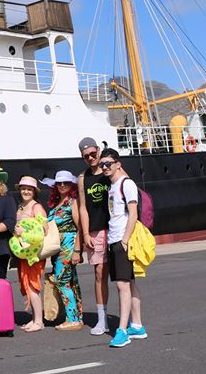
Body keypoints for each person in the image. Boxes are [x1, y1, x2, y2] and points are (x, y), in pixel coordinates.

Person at [99, 148, 147, 348]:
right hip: (114, 239)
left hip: (121, 240)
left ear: (118, 164)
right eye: (102, 165)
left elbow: (133, 214)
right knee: (130, 283)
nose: (104, 168)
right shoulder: (113, 186)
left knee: (122, 285)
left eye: (108, 163)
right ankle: (137, 326)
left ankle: (122, 331)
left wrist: (125, 241)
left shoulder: (126, 184)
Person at [77, 136, 111, 335]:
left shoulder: (109, 171)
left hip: (114, 228)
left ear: (98, 150)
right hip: (96, 230)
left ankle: (133, 318)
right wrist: (85, 234)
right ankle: (102, 319)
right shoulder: (83, 177)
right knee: (99, 274)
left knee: (125, 275)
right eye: (86, 156)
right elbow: (83, 207)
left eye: (93, 153)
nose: (90, 158)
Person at [43, 170, 83, 331]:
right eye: (59, 183)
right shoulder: (55, 205)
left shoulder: (72, 202)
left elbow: (80, 227)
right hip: (58, 247)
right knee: (70, 281)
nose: (62, 185)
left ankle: (72, 319)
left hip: (68, 244)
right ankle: (76, 317)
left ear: (71, 184)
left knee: (61, 280)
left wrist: (77, 251)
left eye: (65, 182)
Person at [11, 176, 47, 333]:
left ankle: (39, 321)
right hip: (24, 251)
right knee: (27, 284)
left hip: (34, 252)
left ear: (34, 191)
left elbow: (44, 229)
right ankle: (34, 319)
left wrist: (24, 232)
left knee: (33, 285)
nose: (26, 191)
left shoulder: (36, 207)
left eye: (29, 189)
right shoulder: (20, 206)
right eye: (23, 188)